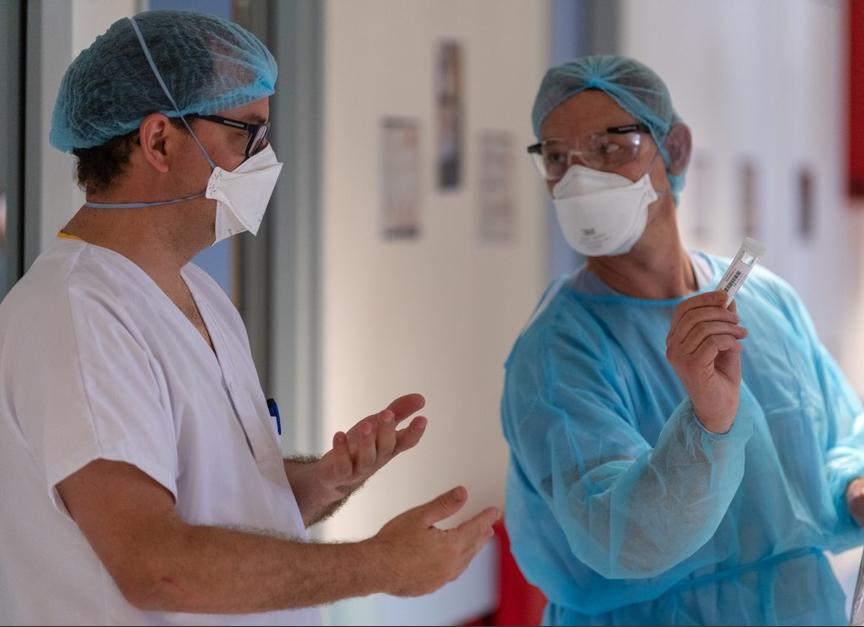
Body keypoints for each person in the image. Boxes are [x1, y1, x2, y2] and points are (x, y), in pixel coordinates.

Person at [0, 11, 498, 625]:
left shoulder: (198, 295)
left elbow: (211, 499)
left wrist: (321, 483)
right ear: (159, 140)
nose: (266, 159)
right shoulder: (78, 316)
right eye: (248, 134)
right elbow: (159, 566)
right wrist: (381, 565)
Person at [500, 55, 864, 626]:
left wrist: (862, 493)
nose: (579, 179)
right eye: (556, 158)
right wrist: (708, 422)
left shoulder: (763, 300)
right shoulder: (557, 352)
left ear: (673, 150)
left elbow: (833, 445)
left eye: (608, 148)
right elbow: (622, 539)